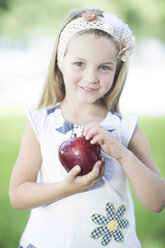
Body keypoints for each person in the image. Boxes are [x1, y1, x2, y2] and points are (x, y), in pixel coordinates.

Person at [9, 8, 165, 248]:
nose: (91, 77)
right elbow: (18, 195)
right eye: (79, 63)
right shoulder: (41, 124)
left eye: (104, 67)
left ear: (117, 70)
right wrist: (67, 187)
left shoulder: (125, 129)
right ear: (61, 63)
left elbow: (157, 202)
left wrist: (123, 155)